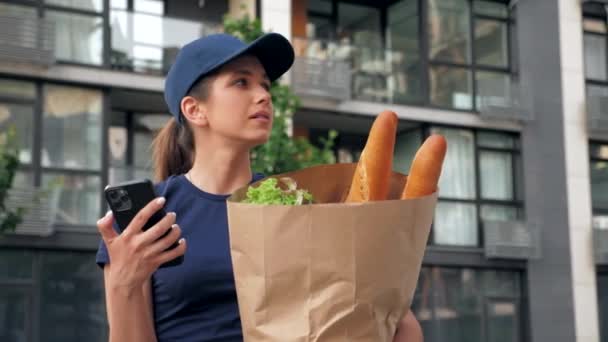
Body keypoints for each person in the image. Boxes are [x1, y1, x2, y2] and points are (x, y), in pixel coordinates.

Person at [96, 32, 423, 342]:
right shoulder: (150, 213)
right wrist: (123, 285)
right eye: (241, 82)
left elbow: (397, 321)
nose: (264, 95)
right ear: (195, 110)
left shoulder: (295, 205)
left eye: (265, 85)